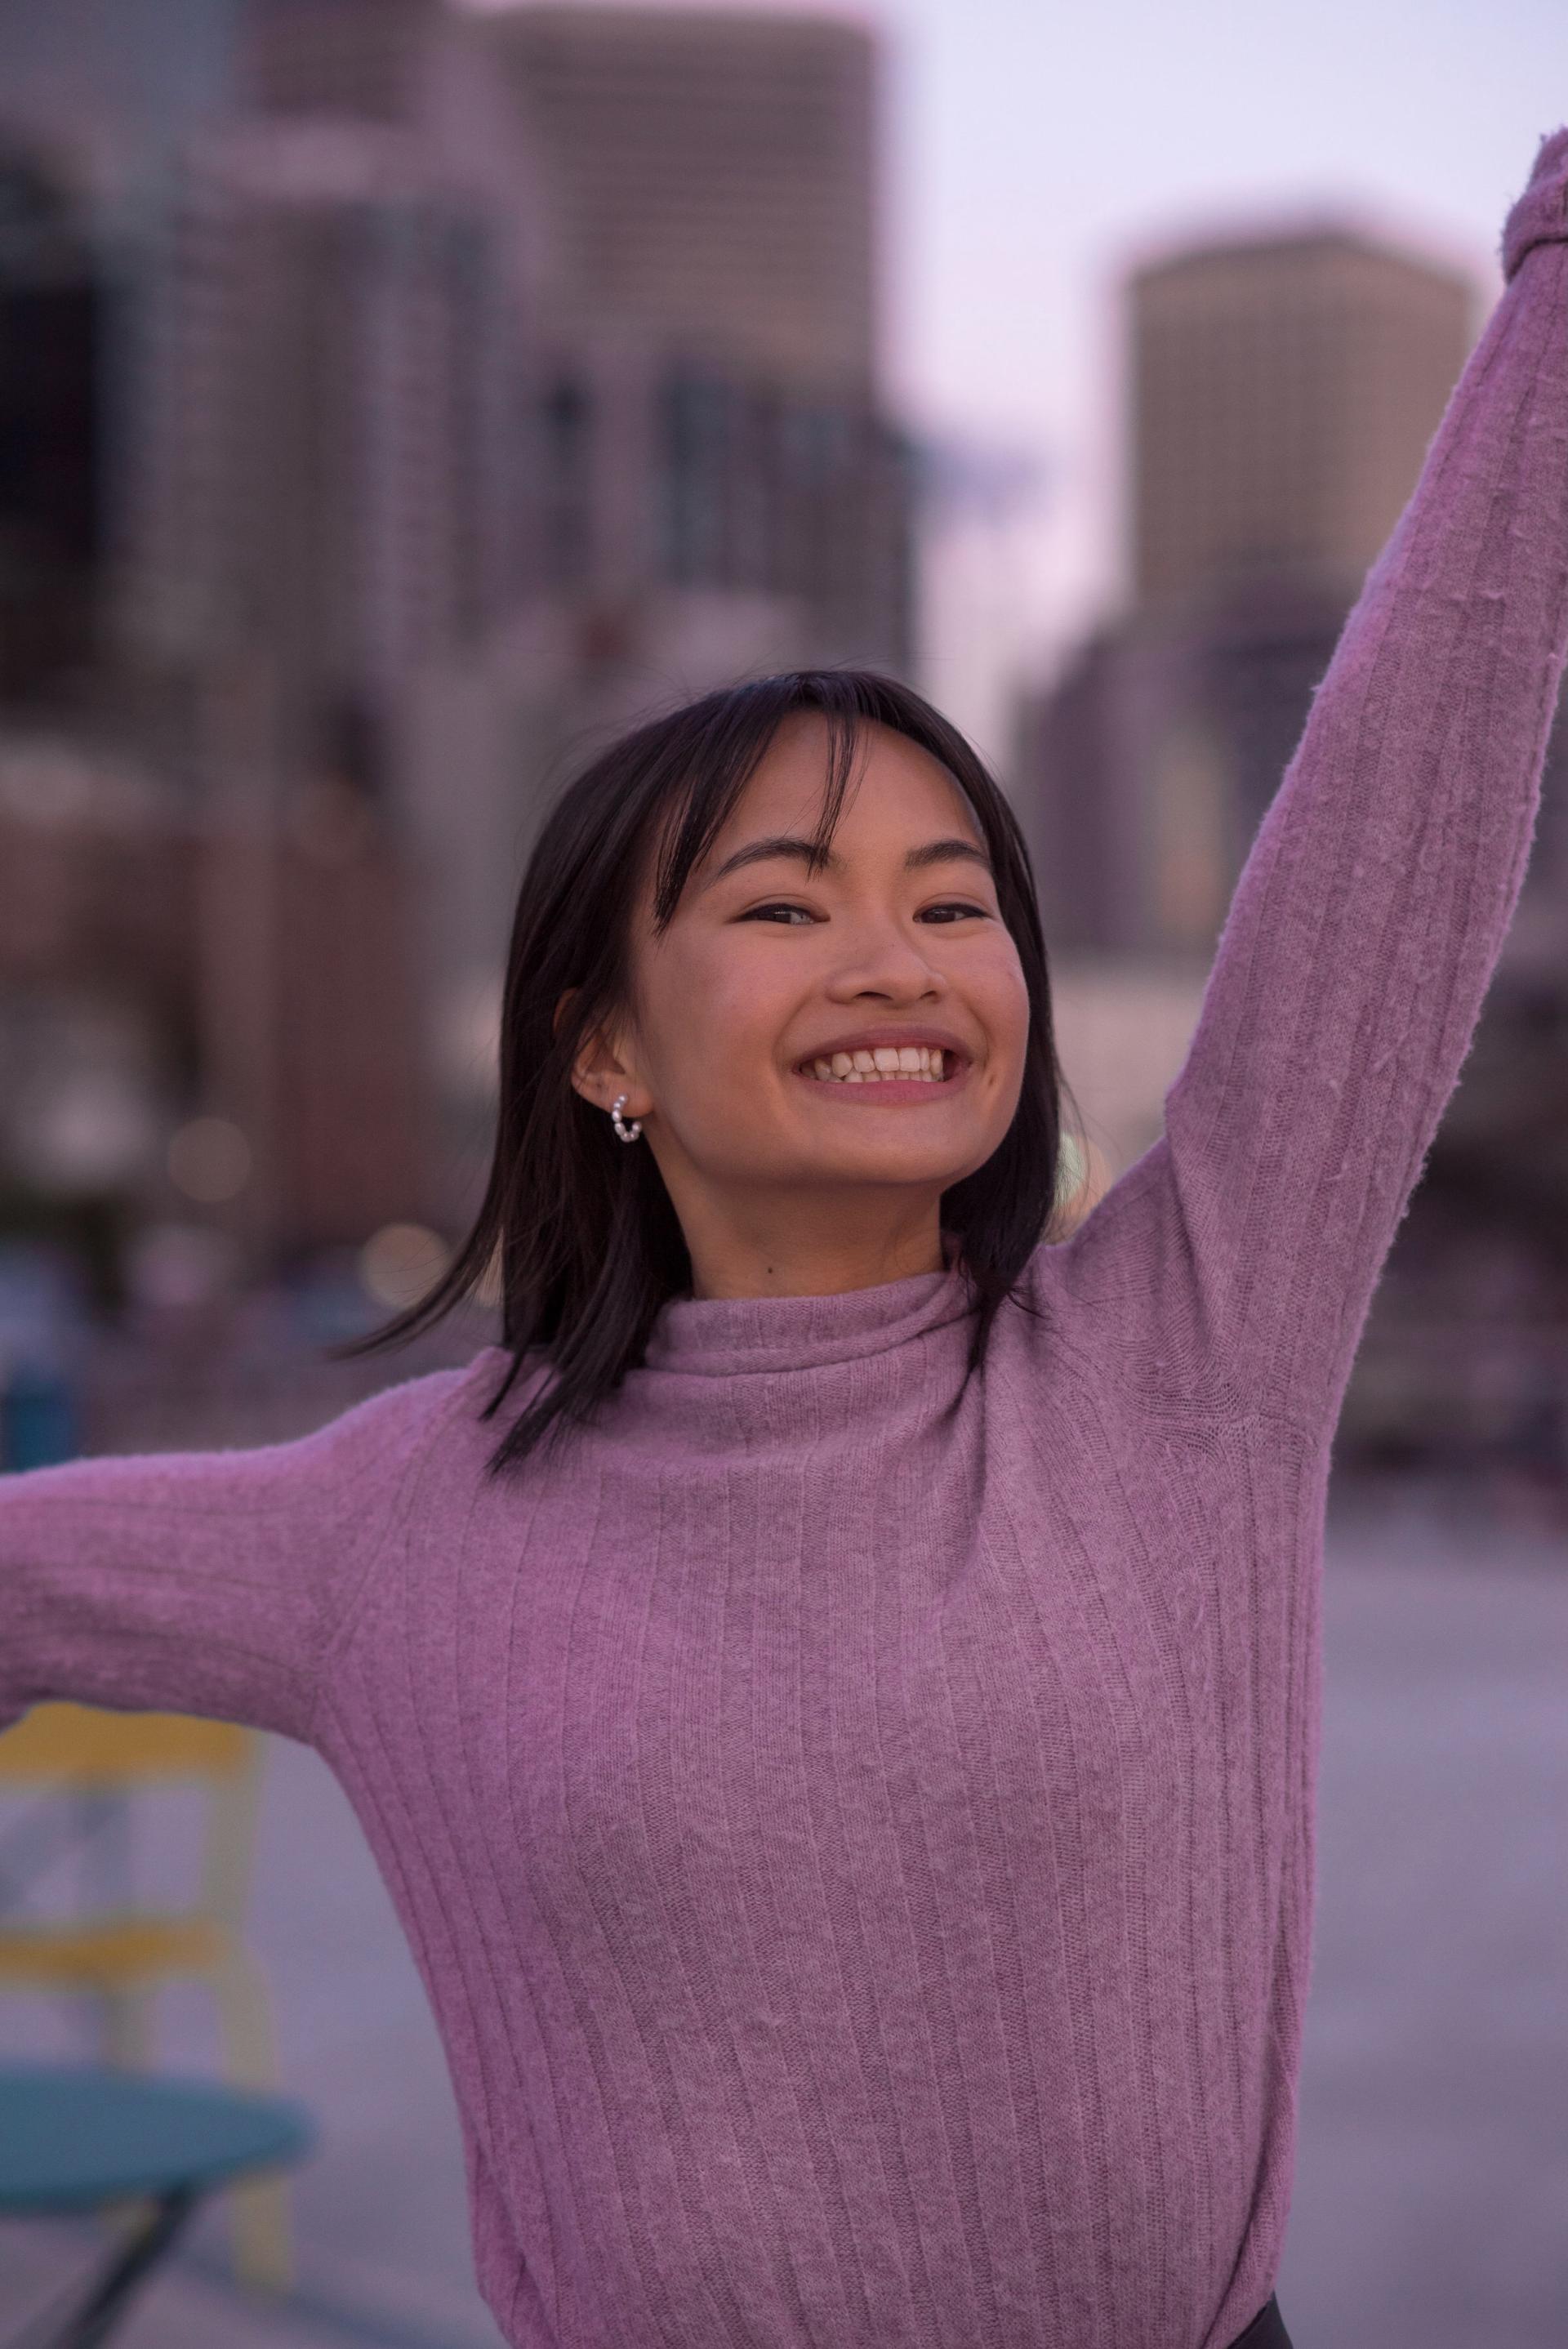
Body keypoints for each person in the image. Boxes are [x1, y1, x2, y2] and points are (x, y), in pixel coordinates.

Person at [5, 124, 1568, 2349]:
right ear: (601, 1047)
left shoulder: (1179, 1364)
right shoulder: (392, 1522)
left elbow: (1399, 817)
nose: (903, 958)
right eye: (783, 904)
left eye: (957, 903)